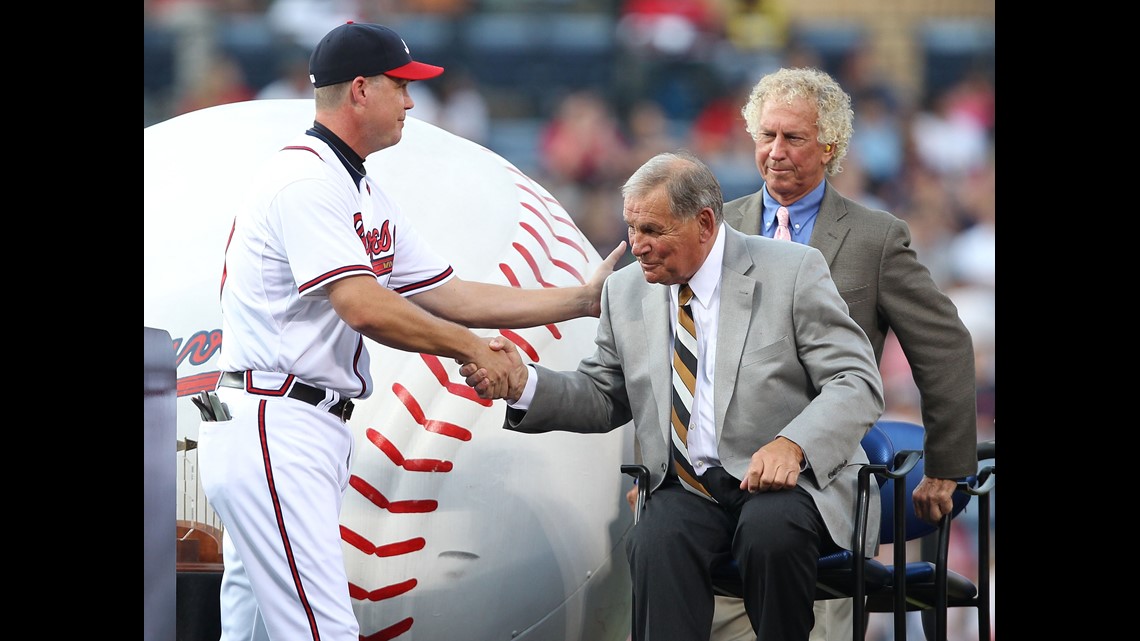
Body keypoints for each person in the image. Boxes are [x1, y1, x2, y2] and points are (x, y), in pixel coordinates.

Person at [196, 21, 625, 641]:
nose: (412, 100)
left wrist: (580, 300)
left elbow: (450, 294)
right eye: (401, 85)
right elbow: (363, 305)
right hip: (275, 420)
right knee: (323, 631)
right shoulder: (307, 182)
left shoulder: (356, 185)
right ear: (362, 90)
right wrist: (472, 350)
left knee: (253, 629)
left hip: (293, 422)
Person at [465, 150, 885, 641]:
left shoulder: (792, 271)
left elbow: (856, 380)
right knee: (655, 537)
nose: (637, 246)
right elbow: (604, 393)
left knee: (770, 532)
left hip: (787, 486)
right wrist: (523, 384)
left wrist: (793, 445)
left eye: (653, 231)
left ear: (704, 223)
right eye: (631, 229)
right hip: (691, 488)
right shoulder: (625, 292)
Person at [713, 66, 980, 640]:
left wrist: (948, 465)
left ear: (829, 146)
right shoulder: (716, 229)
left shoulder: (874, 237)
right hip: (717, 476)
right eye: (765, 135)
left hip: (822, 481)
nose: (774, 151)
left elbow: (944, 344)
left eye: (793, 138)